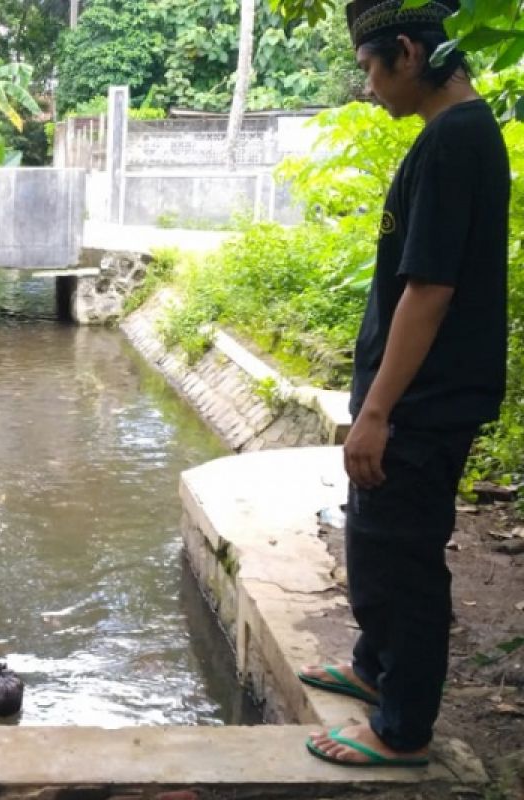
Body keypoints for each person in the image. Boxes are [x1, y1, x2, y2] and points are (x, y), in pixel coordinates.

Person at [298, 0, 509, 768]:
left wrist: (378, 411)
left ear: (409, 53)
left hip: (423, 405)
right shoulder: (450, 136)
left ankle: (402, 729)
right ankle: (372, 665)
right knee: (374, 540)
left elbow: (430, 290)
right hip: (415, 400)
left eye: (369, 69)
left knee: (404, 558)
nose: (368, 88)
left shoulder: (454, 142)